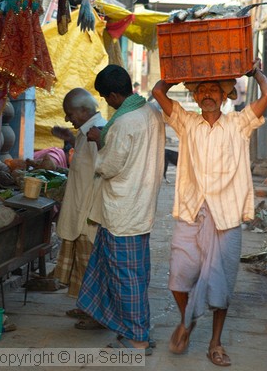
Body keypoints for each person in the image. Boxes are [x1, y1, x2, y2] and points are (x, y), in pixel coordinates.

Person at [151, 59, 267, 367]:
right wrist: (177, 71)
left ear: (224, 95)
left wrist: (254, 72)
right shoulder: (186, 122)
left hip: (227, 213)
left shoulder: (239, 123)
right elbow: (157, 90)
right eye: (202, 89)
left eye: (214, 89)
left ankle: (216, 342)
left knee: (221, 281)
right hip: (192, 211)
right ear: (194, 96)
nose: (208, 94)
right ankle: (187, 320)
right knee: (179, 276)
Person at [75, 65, 165, 354]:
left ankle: (137, 337)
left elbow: (109, 165)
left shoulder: (125, 122)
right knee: (135, 274)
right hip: (140, 207)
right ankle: (138, 330)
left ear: (115, 95)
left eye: (107, 98)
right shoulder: (151, 112)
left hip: (124, 210)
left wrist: (98, 139)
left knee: (126, 277)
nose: (107, 104)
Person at [50, 88, 107, 329]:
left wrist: (89, 216)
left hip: (88, 213)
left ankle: (97, 315)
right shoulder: (86, 133)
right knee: (82, 266)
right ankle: (86, 307)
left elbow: (100, 175)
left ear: (84, 111)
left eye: (70, 113)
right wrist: (71, 139)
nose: (67, 119)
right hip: (80, 210)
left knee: (91, 268)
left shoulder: (99, 133)